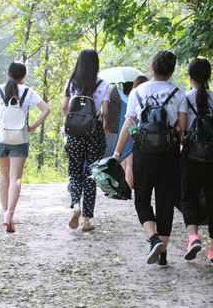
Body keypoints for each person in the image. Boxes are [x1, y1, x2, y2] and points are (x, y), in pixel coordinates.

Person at [113, 51, 187, 267]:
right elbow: (182, 128)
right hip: (169, 154)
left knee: (142, 200)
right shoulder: (179, 94)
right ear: (172, 71)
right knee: (165, 203)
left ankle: (153, 239)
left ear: (152, 68)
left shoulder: (137, 92)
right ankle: (163, 255)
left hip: (143, 153)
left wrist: (117, 154)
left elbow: (129, 124)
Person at [0, 61, 51, 233]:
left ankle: (4, 212)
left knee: (4, 175)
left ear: (7, 74)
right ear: (23, 77)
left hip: (0, 136)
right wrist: (33, 127)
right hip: (20, 138)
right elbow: (46, 109)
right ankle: (10, 213)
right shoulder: (28, 91)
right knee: (16, 177)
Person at [181, 58, 213, 266]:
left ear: (190, 77)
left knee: (188, 198)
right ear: (209, 76)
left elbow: (181, 129)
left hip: (191, 158)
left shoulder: (185, 99)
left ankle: (193, 237)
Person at [62, 49, 110, 232]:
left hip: (75, 132)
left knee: (75, 173)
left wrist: (68, 122)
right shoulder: (103, 84)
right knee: (91, 174)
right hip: (94, 132)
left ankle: (76, 205)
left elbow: (64, 106)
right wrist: (105, 124)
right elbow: (106, 111)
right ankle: (86, 221)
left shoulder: (72, 82)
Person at [121, 75, 149, 189]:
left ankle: (128, 187)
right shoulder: (147, 98)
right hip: (144, 135)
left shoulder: (131, 98)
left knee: (129, 163)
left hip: (131, 133)